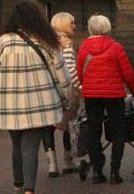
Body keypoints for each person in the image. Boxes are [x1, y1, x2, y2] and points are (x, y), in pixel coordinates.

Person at [0, 1, 70, 194]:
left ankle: (18, 184)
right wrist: (66, 98)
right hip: (39, 105)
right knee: (30, 146)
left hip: (9, 105)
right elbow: (62, 75)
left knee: (16, 145)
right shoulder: (47, 41)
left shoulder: (3, 42)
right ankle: (29, 190)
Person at [76, 14, 134, 185]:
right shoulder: (116, 47)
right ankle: (115, 171)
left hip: (92, 96)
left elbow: (80, 72)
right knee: (118, 131)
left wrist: (88, 85)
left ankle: (97, 171)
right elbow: (127, 73)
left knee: (93, 131)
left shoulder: (83, 47)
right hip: (114, 95)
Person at [49, 12, 84, 177]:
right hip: (66, 94)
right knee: (67, 127)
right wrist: (81, 87)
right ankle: (67, 162)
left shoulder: (47, 42)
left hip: (49, 92)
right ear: (63, 25)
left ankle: (52, 164)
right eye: (72, 23)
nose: (75, 26)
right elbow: (70, 71)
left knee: (48, 129)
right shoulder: (66, 45)